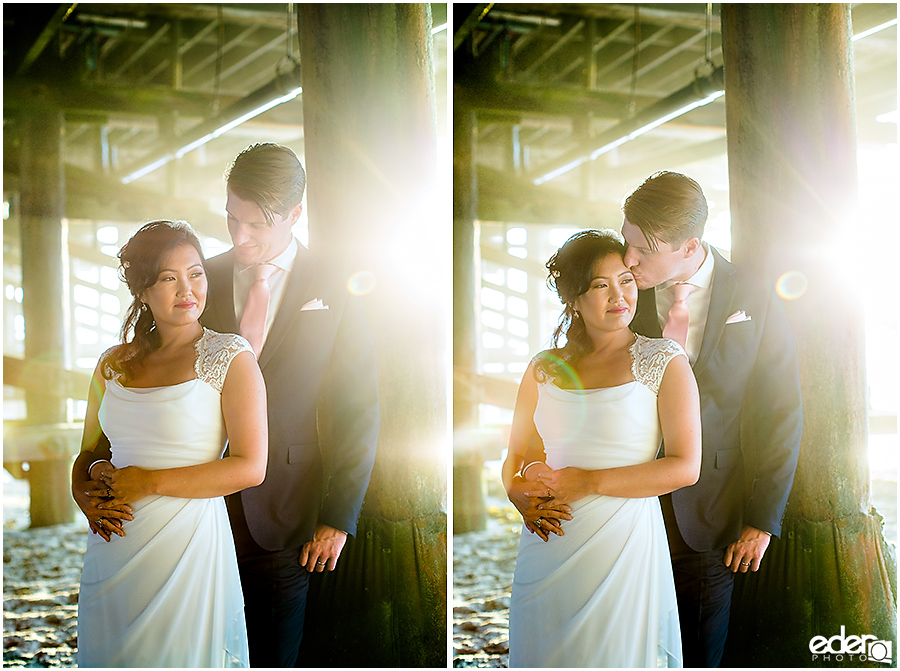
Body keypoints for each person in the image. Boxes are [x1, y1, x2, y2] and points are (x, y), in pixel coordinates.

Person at [511, 171, 804, 667]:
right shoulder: (624, 289)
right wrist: (524, 485)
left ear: (689, 247)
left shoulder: (752, 294)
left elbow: (781, 410)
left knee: (692, 649)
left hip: (710, 511)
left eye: (641, 252)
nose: (628, 261)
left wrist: (762, 518)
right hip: (612, 510)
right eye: (626, 243)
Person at [199, 142, 380, 667]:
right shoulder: (199, 279)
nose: (240, 236)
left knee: (274, 654)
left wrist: (339, 517)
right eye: (232, 218)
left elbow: (357, 406)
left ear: (296, 214)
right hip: (194, 502)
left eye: (256, 224)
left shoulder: (335, 284)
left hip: (286, 509)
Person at [71, 220, 268, 667]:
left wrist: (148, 482)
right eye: (168, 278)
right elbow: (89, 452)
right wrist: (80, 493)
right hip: (112, 539)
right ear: (142, 291)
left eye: (196, 273)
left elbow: (250, 466)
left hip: (187, 542)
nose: (187, 289)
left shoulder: (230, 357)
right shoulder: (111, 364)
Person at [502, 229, 702, 668]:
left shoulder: (664, 360)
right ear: (573, 298)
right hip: (548, 539)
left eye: (626, 280)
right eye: (600, 285)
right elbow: (518, 455)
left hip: (623, 543)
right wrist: (517, 493)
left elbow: (685, 467)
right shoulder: (543, 368)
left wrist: (588, 481)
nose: (619, 295)